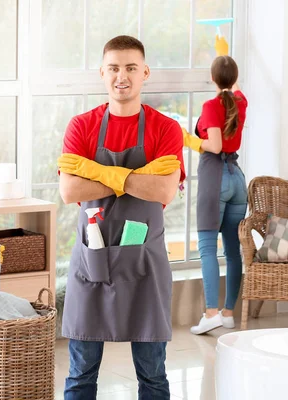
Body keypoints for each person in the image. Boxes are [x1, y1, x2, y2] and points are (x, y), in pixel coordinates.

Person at [57, 35, 185, 400]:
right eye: (114, 68)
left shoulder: (165, 128)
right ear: (102, 73)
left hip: (144, 264)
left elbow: (163, 192)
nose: (122, 76)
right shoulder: (82, 126)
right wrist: (136, 178)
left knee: (153, 374)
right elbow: (70, 192)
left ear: (145, 72)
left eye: (131, 68)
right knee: (81, 374)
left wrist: (100, 174)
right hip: (91, 264)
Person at [183, 55, 249, 334]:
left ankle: (211, 313)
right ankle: (229, 313)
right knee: (233, 251)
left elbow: (214, 145)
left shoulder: (211, 106)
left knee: (208, 247)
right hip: (237, 178)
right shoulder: (241, 101)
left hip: (215, 177)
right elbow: (236, 91)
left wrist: (187, 138)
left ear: (211, 78)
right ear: (235, 78)